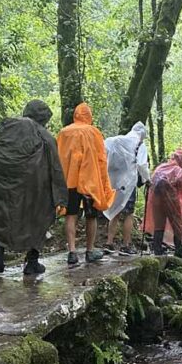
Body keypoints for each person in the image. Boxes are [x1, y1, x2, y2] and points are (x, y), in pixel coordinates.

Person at [0, 99, 67, 276]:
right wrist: (61, 196)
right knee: (40, 217)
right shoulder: (45, 136)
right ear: (43, 117)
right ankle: (32, 262)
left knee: (3, 214)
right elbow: (55, 167)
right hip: (35, 188)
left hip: (4, 184)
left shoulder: (8, 129)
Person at [56, 102, 115, 267]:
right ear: (89, 116)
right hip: (90, 182)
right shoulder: (94, 132)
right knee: (91, 216)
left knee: (71, 215)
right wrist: (104, 183)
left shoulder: (64, 133)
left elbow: (59, 157)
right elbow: (102, 159)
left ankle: (72, 252)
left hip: (70, 181)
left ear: (75, 115)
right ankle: (90, 250)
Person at [103, 121, 149, 255]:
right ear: (142, 134)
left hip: (115, 182)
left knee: (115, 211)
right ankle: (126, 245)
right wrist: (147, 179)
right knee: (128, 214)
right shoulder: (140, 144)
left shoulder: (118, 141)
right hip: (129, 184)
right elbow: (142, 164)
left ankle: (109, 243)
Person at [144, 149, 182, 257]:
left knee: (159, 224)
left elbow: (151, 182)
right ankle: (179, 249)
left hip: (156, 199)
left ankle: (157, 249)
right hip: (172, 199)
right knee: (177, 223)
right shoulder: (178, 171)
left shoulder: (159, 168)